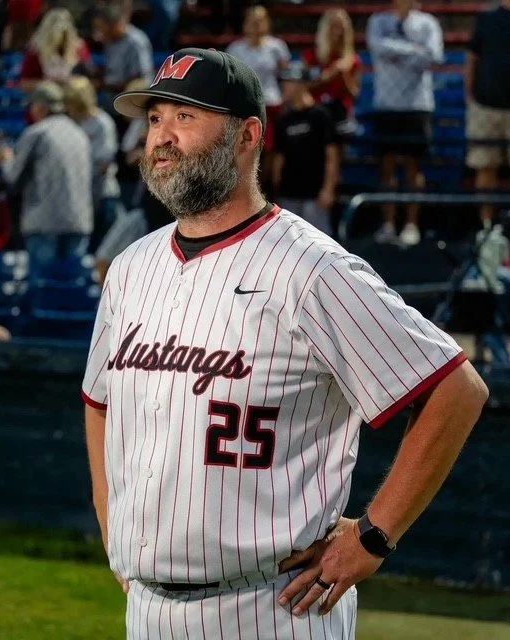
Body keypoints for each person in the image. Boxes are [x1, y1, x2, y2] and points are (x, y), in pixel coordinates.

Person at [82, 47, 488, 639]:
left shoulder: (311, 268)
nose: (162, 138)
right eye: (154, 118)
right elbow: (100, 403)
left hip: (273, 607)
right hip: (147, 610)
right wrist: (113, 526)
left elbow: (456, 388)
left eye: (185, 117)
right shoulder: (130, 269)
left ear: (247, 135)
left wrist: (374, 536)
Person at [367, 0, 444, 246]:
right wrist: (414, 50)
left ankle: (412, 225)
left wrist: (396, 54)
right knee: (387, 168)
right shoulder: (378, 21)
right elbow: (377, 48)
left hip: (417, 106)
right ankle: (388, 224)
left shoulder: (428, 23)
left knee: (414, 168)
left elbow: (434, 55)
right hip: (386, 105)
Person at [0, 81, 92, 281]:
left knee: (42, 296)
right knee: (71, 296)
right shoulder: (80, 134)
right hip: (78, 223)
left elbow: (13, 179)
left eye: (32, 105)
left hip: (44, 225)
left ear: (41, 106)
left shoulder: (37, 132)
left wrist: (6, 159)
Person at [226, 4, 290, 191]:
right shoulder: (235, 48)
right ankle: (245, 186)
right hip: (244, 106)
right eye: (252, 21)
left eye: (260, 21)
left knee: (269, 148)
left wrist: (286, 100)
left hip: (271, 102)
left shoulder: (277, 47)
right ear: (245, 24)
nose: (255, 26)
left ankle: (264, 186)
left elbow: (285, 76)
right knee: (246, 147)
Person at [273, 61, 338, 236]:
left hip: (315, 194)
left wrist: (329, 189)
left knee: (321, 246)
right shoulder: (284, 120)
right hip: (289, 194)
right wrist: (276, 189)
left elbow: (332, 156)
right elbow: (279, 158)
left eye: (289, 82)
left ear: (302, 85)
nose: (284, 86)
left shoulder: (321, 116)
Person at [64, 75, 122, 253]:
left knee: (102, 252)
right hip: (79, 197)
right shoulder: (70, 123)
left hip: (103, 194)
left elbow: (104, 162)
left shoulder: (101, 122)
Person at [466, 0, 510, 227]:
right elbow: (473, 59)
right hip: (485, 105)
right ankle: (486, 227)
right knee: (485, 168)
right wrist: (470, 97)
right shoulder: (487, 18)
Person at [302, 8, 362, 164]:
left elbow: (355, 95)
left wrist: (344, 75)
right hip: (315, 112)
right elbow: (303, 89)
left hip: (340, 114)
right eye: (334, 26)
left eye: (342, 27)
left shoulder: (352, 60)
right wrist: (329, 75)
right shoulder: (310, 56)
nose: (338, 31)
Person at [92, 3, 154, 114]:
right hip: (110, 91)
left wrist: (104, 85)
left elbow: (139, 79)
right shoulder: (110, 41)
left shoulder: (136, 41)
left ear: (115, 25)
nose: (101, 33)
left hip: (132, 95)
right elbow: (110, 69)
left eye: (103, 28)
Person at [20, 8, 93, 90]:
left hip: (73, 95)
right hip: (45, 96)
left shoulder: (80, 47)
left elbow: (88, 81)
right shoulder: (35, 50)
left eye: (64, 33)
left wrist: (70, 82)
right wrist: (49, 83)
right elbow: (25, 83)